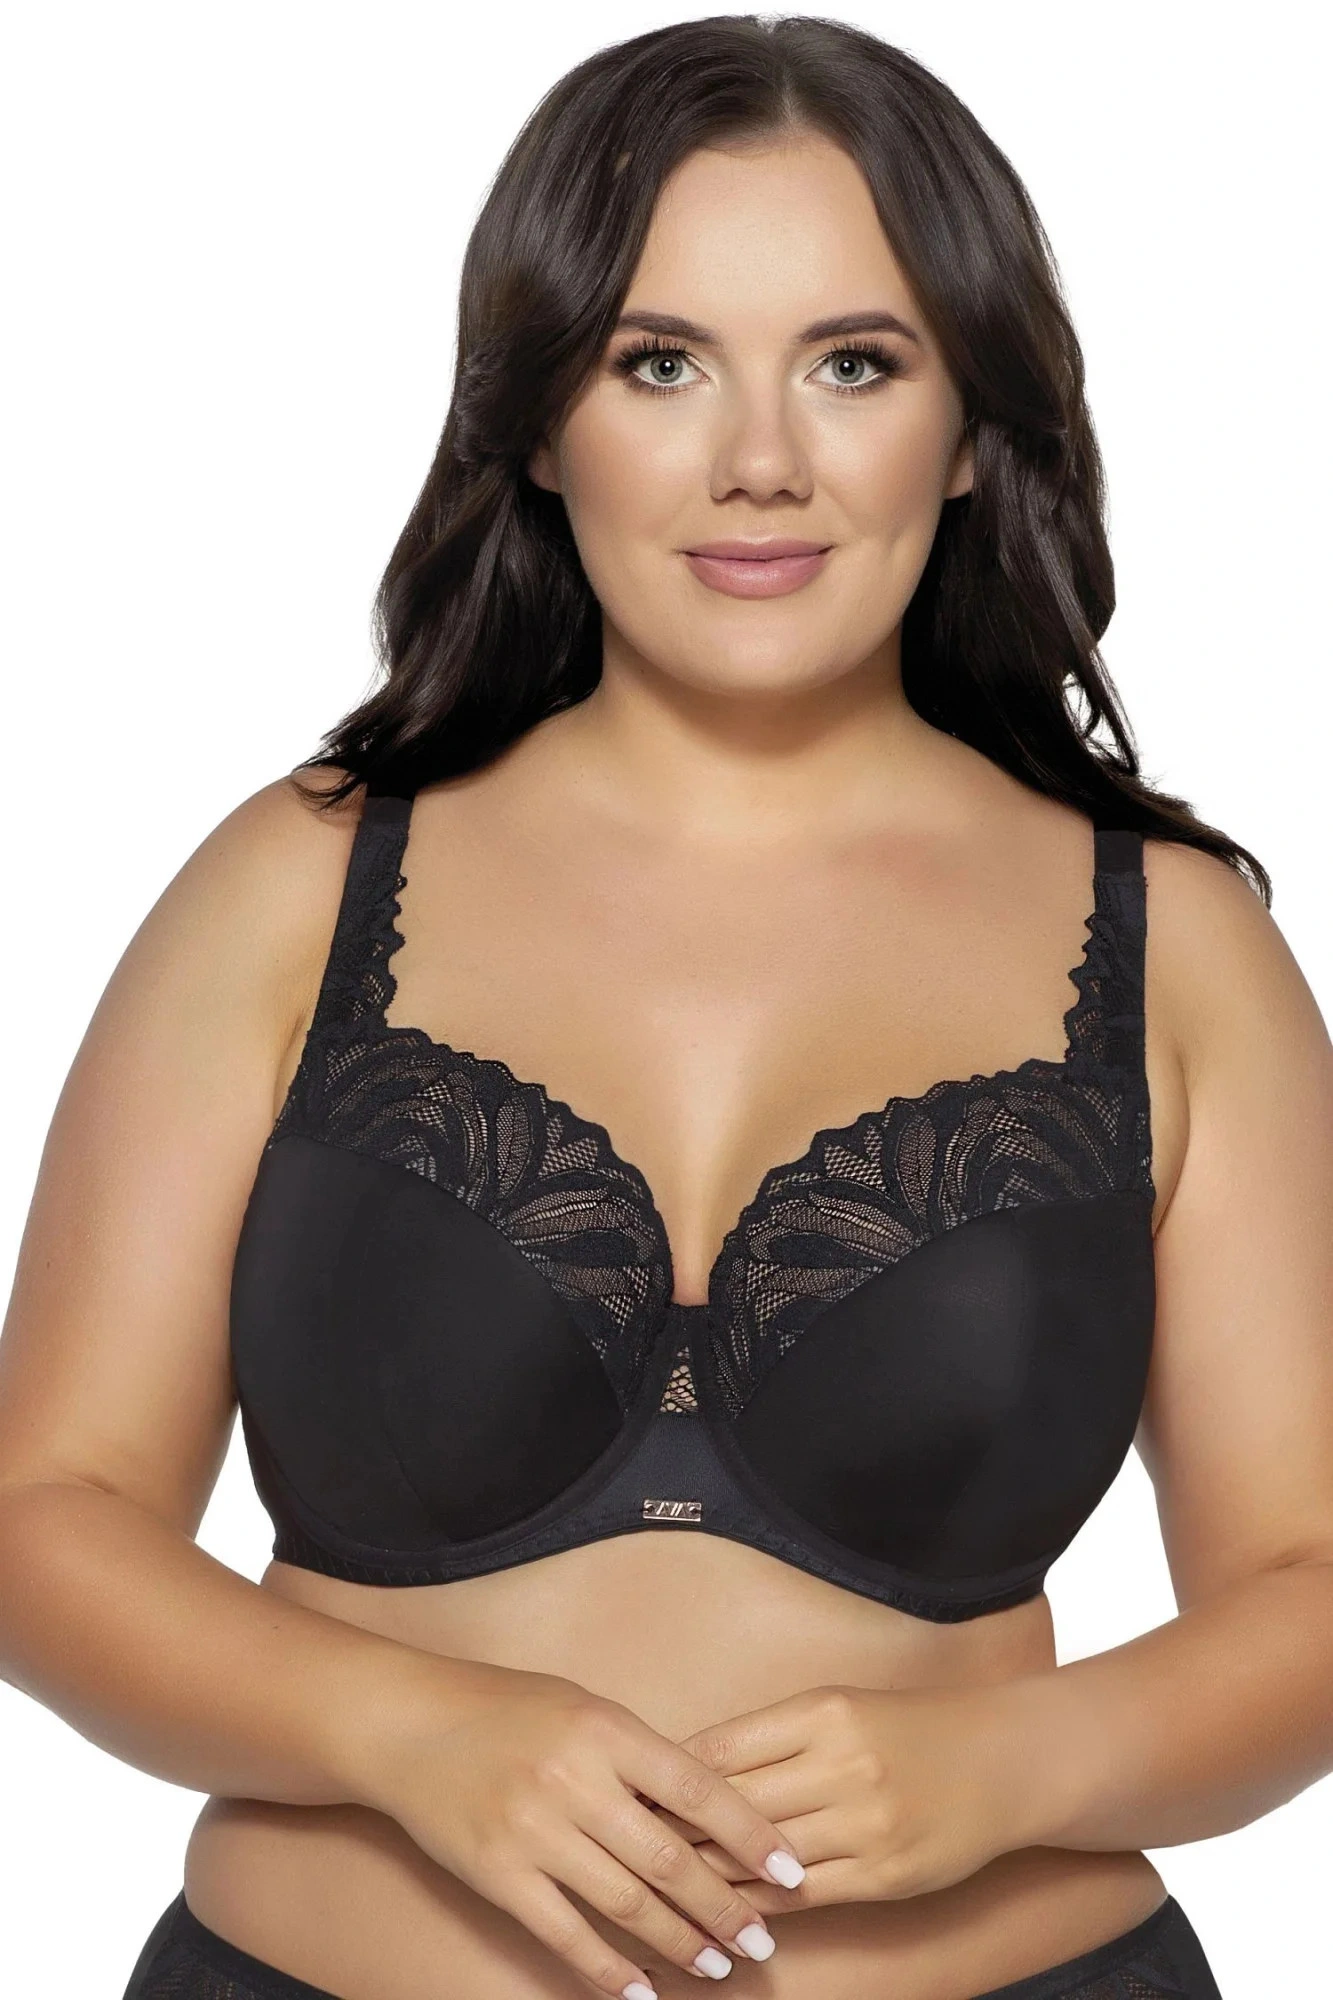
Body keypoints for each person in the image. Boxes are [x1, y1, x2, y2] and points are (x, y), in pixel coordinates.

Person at [1, 15, 1329, 2000]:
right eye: (660, 362)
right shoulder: (297, 884)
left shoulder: (1175, 941)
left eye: (856, 364)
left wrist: (1017, 1761)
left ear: (973, 426)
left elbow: (1309, 1590)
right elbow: (47, 1518)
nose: (761, 461)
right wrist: (410, 1732)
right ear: (542, 419)